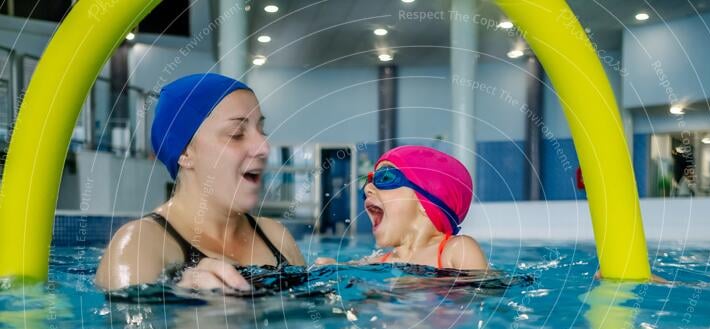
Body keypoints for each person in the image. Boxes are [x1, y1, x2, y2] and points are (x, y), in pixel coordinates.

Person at [96, 73, 304, 292]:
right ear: (185, 152)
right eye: (237, 134)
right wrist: (190, 310)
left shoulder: (275, 236)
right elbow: (125, 324)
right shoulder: (139, 246)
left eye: (261, 131)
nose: (264, 147)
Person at [317, 146, 488, 270]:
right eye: (369, 180)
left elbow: (484, 297)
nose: (368, 188)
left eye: (385, 177)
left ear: (426, 202)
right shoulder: (380, 261)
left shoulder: (456, 250)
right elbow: (344, 268)